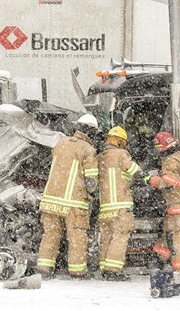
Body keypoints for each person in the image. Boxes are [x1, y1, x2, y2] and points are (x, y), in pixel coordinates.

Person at [36, 113, 100, 279]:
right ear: (91, 132)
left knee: (50, 235)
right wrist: (93, 193)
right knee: (77, 236)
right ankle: (77, 271)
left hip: (50, 200)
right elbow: (91, 182)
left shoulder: (60, 143)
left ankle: (44, 269)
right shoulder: (88, 149)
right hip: (74, 203)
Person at [143, 131, 180, 276]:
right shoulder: (179, 157)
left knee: (179, 243)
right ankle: (159, 259)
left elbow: (171, 182)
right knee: (168, 238)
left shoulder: (170, 161)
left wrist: (151, 179)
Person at [96, 126, 144, 282]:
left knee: (106, 238)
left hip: (105, 208)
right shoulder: (122, 154)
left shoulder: (100, 157)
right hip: (120, 206)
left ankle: (104, 267)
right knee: (120, 236)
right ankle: (113, 270)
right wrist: (147, 177)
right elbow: (135, 171)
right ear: (120, 142)